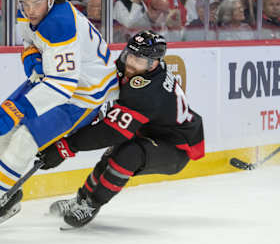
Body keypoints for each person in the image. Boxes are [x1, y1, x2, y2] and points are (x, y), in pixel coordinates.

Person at [0, 0, 120, 229]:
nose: (30, 9)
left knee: (23, 141)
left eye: (36, 2)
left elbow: (62, 87)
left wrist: (18, 110)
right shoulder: (29, 13)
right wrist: (31, 58)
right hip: (57, 81)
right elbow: (31, 42)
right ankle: (7, 196)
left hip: (84, 95)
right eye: (25, 3)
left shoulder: (60, 23)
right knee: (0, 133)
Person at [36, 30, 205, 227]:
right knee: (112, 155)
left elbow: (111, 132)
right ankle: (81, 199)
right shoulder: (138, 68)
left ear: (154, 63)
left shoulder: (149, 91)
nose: (131, 63)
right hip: (151, 132)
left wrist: (66, 147)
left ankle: (92, 204)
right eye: (130, 55)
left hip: (175, 148)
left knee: (127, 153)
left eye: (139, 60)